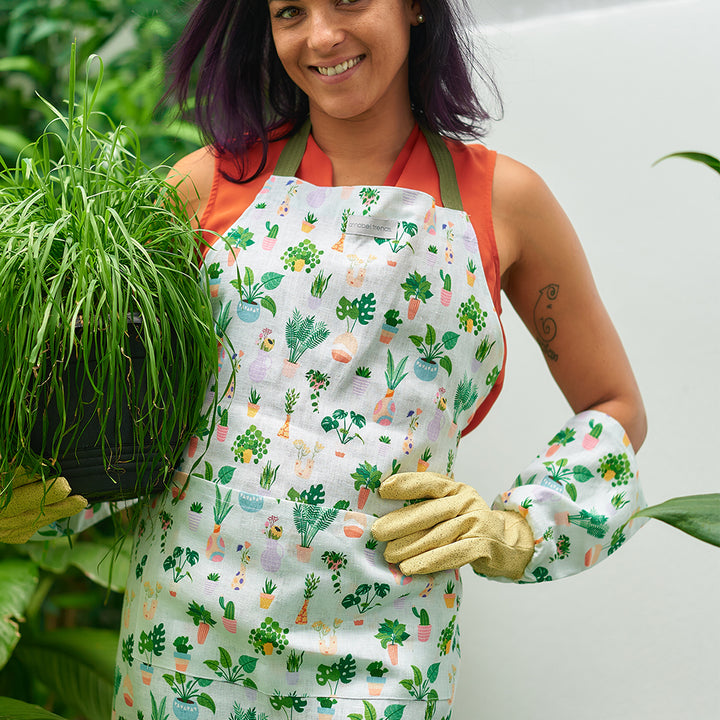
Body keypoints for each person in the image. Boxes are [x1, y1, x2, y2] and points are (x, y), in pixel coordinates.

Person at [2, 0, 647, 717]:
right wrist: (40, 485)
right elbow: (122, 395)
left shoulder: (503, 203)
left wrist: (519, 527)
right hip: (185, 639)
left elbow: (613, 405)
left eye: (348, 1)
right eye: (289, 12)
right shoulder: (203, 185)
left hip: (385, 651)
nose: (321, 36)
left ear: (415, 8)